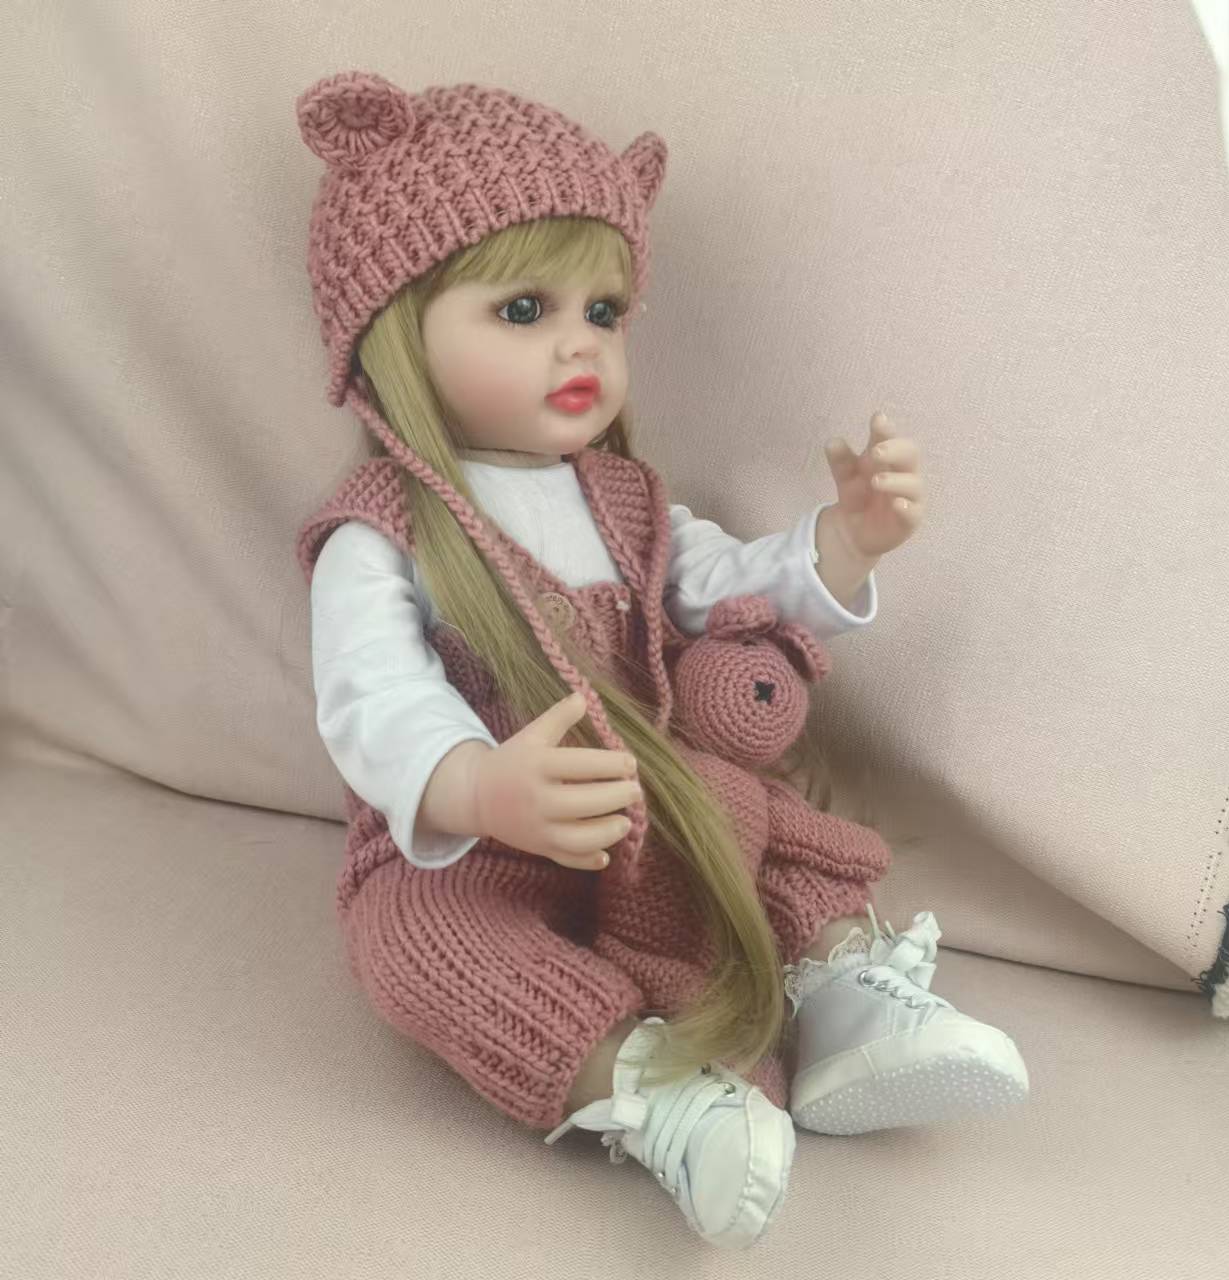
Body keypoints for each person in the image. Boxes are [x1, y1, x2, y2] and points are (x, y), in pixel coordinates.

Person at [292, 71, 1028, 1251]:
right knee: (418, 948)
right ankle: (650, 1088)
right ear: (391, 327)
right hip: (468, 848)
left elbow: (731, 585)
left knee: (748, 822)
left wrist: (840, 545)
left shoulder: (625, 499)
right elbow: (371, 696)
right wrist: (475, 785)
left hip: (647, 801)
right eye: (522, 310)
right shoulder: (381, 531)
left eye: (604, 311)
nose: (578, 343)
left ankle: (841, 993)